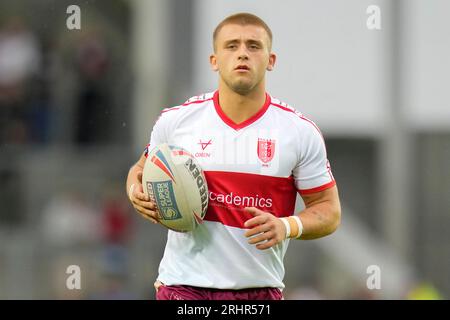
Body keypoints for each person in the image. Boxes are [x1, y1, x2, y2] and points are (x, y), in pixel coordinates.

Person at [126, 12, 341, 300]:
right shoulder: (176, 121)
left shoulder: (299, 132)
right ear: (214, 60)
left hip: (258, 293)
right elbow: (139, 170)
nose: (242, 54)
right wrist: (134, 192)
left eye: (253, 46)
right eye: (231, 46)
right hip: (183, 286)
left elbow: (329, 210)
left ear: (270, 60)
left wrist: (287, 225)